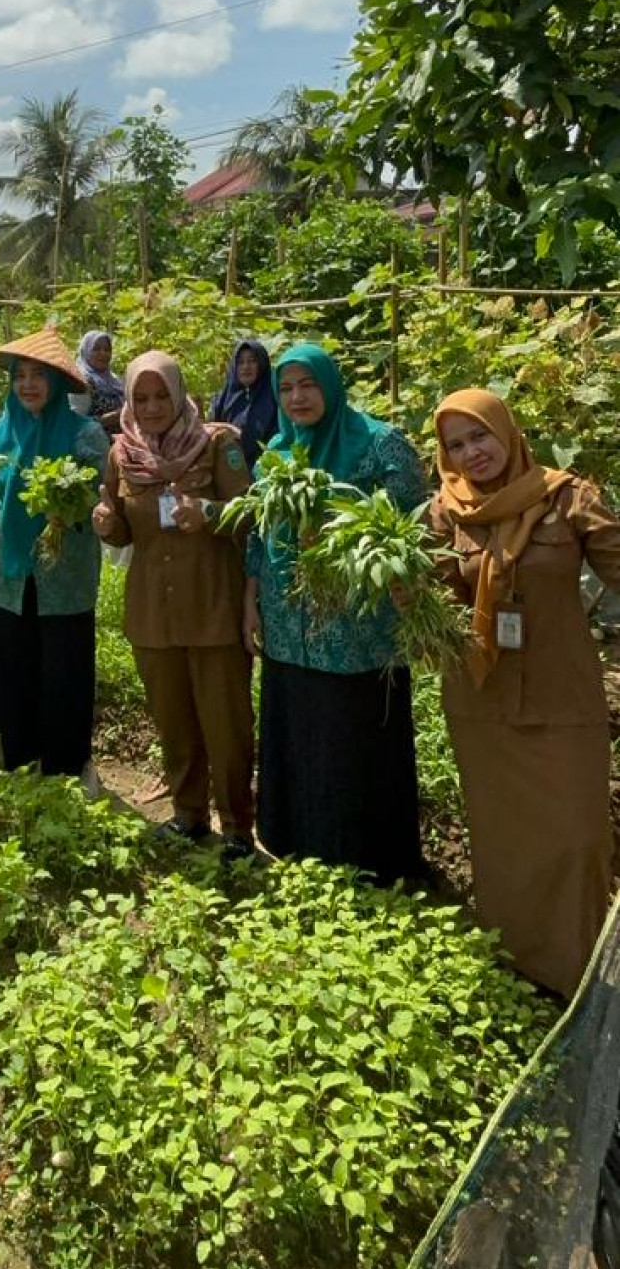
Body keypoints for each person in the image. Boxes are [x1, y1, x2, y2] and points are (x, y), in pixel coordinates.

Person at [431, 390, 620, 1002]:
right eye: (456, 444)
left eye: (479, 436)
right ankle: (517, 967)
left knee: (578, 836)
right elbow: (434, 603)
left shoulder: (568, 498)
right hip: (480, 702)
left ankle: (581, 978)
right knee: (502, 840)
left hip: (562, 700)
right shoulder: (445, 513)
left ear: (507, 432)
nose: (471, 453)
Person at [243, 342, 427, 883]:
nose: (298, 398)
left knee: (353, 739)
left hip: (358, 632)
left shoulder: (379, 444)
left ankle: (369, 861)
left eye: (309, 385)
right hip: (287, 626)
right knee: (299, 730)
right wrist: (249, 602)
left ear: (331, 385)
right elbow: (257, 538)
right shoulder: (277, 452)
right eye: (287, 388)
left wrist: (341, 529)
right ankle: (297, 843)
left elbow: (411, 530)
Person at [94, 350, 254, 851]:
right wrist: (109, 522)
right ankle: (188, 814)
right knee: (173, 720)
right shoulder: (122, 453)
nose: (151, 406)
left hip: (212, 608)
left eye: (161, 394)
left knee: (226, 724)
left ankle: (236, 827)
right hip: (152, 614)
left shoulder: (216, 443)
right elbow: (124, 532)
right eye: (140, 397)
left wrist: (209, 512)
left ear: (180, 393)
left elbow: (251, 515)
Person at [0, 328, 109, 789]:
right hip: (8, 575)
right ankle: (22, 757)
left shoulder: (86, 434)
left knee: (66, 669)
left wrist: (71, 507)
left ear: (58, 384)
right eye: (21, 376)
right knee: (13, 665)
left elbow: (102, 493)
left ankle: (70, 763)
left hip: (64, 574)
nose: (29, 385)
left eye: (40, 376)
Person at [211, 338, 278, 472]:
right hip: (228, 474)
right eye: (240, 362)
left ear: (262, 364)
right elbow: (211, 434)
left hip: (265, 472)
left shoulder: (274, 397)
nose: (246, 367)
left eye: (252, 360)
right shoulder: (224, 398)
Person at [76, 330, 126, 433]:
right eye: (96, 349)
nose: (103, 353)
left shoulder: (114, 380)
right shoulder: (81, 381)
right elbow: (77, 423)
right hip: (94, 445)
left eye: (107, 349)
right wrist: (113, 417)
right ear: (86, 351)